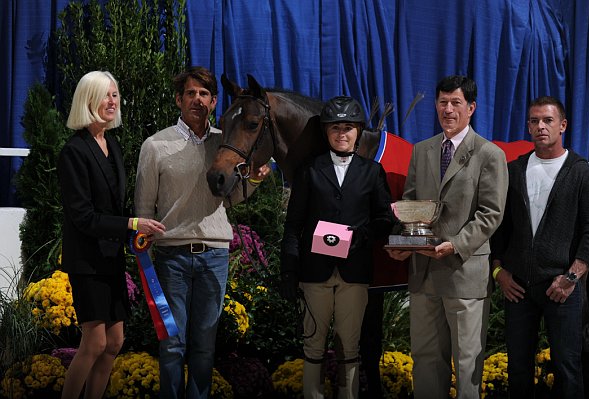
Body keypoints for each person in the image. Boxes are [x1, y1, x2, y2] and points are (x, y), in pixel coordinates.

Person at [134, 66, 269, 399]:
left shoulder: (225, 143)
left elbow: (232, 198)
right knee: (171, 346)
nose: (198, 99)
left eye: (205, 94)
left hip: (214, 256)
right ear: (179, 100)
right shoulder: (155, 146)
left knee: (205, 348)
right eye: (191, 93)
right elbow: (143, 209)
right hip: (171, 258)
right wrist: (146, 255)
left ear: (213, 102)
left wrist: (253, 180)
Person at [386, 75, 508, 398]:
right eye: (443, 103)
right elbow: (412, 206)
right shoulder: (422, 150)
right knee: (425, 361)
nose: (448, 109)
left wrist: (455, 244)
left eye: (456, 103)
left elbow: (491, 214)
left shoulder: (489, 154)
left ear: (471, 108)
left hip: (464, 275)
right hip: (423, 275)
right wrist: (402, 241)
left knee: (468, 365)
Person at [58, 71, 166, 399]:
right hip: (87, 262)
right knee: (95, 342)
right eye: (105, 95)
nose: (112, 101)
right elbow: (84, 217)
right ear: (87, 100)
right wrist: (132, 225)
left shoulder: (112, 145)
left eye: (115, 95)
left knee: (115, 343)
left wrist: (134, 229)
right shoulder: (74, 151)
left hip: (110, 259)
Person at [279, 96, 395, 399]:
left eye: (348, 127)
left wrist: (361, 236)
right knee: (313, 345)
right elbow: (293, 225)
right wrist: (289, 269)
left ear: (358, 131)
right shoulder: (309, 171)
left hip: (354, 273)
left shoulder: (372, 172)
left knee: (350, 346)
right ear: (325, 132)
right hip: (314, 272)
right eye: (334, 127)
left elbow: (385, 218)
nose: (341, 133)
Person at [490, 96, 589, 399]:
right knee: (518, 371)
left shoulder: (582, 173)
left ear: (562, 125)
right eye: (534, 121)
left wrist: (571, 277)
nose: (541, 126)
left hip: (562, 286)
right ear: (528, 126)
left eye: (548, 120)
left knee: (567, 368)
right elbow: (500, 229)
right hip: (518, 288)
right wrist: (499, 272)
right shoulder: (514, 170)